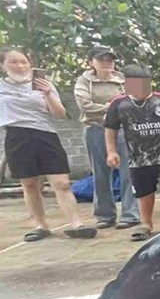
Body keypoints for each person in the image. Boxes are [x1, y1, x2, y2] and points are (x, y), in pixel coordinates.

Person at [0, 47, 97, 242]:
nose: (19, 66)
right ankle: (41, 225)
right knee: (29, 184)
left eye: (23, 62)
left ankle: (76, 223)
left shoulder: (43, 84)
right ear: (3, 65)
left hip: (45, 135)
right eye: (13, 62)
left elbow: (60, 114)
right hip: (16, 135)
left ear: (30, 64)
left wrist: (47, 94)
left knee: (61, 183)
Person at [105, 65, 160, 242]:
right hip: (139, 157)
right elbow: (110, 129)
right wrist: (111, 152)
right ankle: (146, 224)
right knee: (144, 192)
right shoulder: (119, 104)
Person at [74, 46, 139, 230]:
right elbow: (85, 105)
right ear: (90, 62)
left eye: (109, 59)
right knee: (101, 173)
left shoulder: (124, 79)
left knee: (130, 172)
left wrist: (113, 106)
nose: (106, 63)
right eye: (101, 59)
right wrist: (113, 106)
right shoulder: (83, 81)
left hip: (124, 130)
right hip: (96, 129)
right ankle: (104, 215)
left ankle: (130, 214)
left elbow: (136, 101)